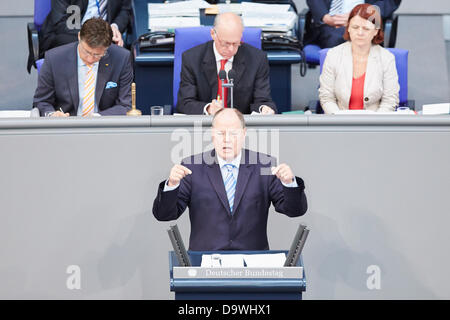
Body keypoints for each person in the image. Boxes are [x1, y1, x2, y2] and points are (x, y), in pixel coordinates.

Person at [152, 108, 307, 251]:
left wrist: (289, 184)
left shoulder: (264, 165)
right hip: (205, 264)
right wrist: (172, 185)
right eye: (220, 133)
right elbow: (164, 215)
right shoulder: (192, 167)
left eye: (233, 133)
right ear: (212, 134)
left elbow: (294, 211)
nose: (226, 139)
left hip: (253, 264)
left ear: (244, 133)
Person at [176, 12, 277, 115]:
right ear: (213, 34)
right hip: (206, 125)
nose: (231, 49)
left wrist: (264, 109)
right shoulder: (192, 59)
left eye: (236, 43)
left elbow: (262, 100)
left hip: (241, 125)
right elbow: (184, 103)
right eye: (226, 44)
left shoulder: (257, 59)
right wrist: (208, 109)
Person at [33, 17, 133, 117]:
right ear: (79, 36)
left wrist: (97, 117)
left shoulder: (122, 58)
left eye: (97, 55)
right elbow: (41, 102)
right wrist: (52, 114)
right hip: (66, 125)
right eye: (86, 52)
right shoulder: (54, 58)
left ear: (107, 47)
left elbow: (125, 105)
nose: (90, 59)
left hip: (103, 126)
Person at [318, 3, 399, 114]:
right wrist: (337, 120)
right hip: (339, 123)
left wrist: (376, 123)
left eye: (366, 28)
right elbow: (326, 98)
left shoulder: (386, 58)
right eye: (355, 27)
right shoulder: (333, 55)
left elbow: (389, 101)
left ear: (376, 31)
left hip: (375, 124)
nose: (360, 33)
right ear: (348, 28)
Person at [39, 0, 132, 55]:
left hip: (104, 35)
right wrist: (96, 36)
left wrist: (114, 27)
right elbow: (60, 23)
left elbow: (125, 10)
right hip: (69, 34)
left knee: (122, 54)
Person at [306, 0, 401, 49]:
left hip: (364, 22)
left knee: (340, 37)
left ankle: (334, 83)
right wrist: (325, 17)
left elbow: (390, 2)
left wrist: (361, 15)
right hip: (327, 23)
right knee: (335, 36)